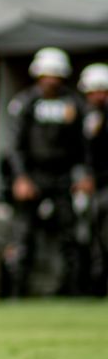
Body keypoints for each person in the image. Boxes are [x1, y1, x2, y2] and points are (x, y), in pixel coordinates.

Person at [2, 48, 93, 296]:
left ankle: (73, 293)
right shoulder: (26, 103)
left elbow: (83, 146)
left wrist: (83, 174)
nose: (51, 79)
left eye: (56, 74)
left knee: (70, 236)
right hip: (33, 175)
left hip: (64, 177)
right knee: (23, 236)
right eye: (46, 74)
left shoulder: (73, 104)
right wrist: (20, 178)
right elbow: (15, 146)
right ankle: (17, 294)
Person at [78, 63, 108, 294]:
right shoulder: (84, 116)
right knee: (91, 235)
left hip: (102, 184)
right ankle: (94, 286)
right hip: (90, 185)